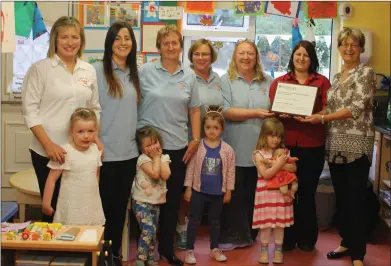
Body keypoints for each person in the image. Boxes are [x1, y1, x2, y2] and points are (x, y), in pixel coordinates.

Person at [303, 28, 376, 266]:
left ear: (361, 49)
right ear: (339, 48)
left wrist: (323, 119)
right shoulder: (336, 77)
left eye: (354, 45)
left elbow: (355, 108)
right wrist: (312, 114)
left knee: (356, 199)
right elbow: (330, 108)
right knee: (343, 199)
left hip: (356, 145)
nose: (349, 49)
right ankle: (346, 242)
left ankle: (358, 253)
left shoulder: (366, 73)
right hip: (334, 145)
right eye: (345, 44)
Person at [21, 16, 101, 223]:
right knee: (54, 208)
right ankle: (55, 252)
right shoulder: (41, 69)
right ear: (55, 40)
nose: (70, 42)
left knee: (78, 206)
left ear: (81, 41)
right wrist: (49, 145)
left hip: (81, 152)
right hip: (47, 151)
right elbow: (30, 111)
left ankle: (80, 253)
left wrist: (96, 138)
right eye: (64, 36)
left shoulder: (89, 70)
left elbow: (94, 108)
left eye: (75, 37)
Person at [137, 25, 201, 266]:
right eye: (166, 43)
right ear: (159, 47)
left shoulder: (189, 76)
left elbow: (194, 110)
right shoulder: (144, 71)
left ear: (180, 46)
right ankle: (145, 249)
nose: (171, 47)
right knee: (145, 199)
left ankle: (166, 249)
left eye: (175, 43)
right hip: (149, 146)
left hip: (176, 147)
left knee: (171, 201)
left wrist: (195, 139)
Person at [269, 40, 331, 252]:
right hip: (285, 147)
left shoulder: (322, 81)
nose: (301, 59)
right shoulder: (280, 82)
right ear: (292, 57)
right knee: (284, 193)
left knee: (306, 192)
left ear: (312, 58)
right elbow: (273, 109)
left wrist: (317, 116)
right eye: (298, 55)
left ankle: (307, 238)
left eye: (306, 55)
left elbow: (327, 109)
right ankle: (286, 238)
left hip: (312, 145)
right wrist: (278, 112)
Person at [93, 21, 141, 264]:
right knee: (100, 209)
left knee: (119, 210)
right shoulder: (96, 72)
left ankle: (113, 255)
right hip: (102, 154)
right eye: (118, 38)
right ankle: (99, 256)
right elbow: (88, 112)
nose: (124, 43)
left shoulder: (135, 74)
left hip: (129, 153)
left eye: (128, 38)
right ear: (109, 42)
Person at [219, 40, 274, 250]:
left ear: (257, 57)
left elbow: (275, 109)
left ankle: (250, 235)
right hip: (235, 148)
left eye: (250, 53)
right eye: (241, 53)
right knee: (235, 195)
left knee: (254, 195)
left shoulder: (267, 81)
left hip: (261, 152)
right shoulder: (226, 81)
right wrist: (255, 114)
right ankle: (232, 237)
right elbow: (225, 111)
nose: (246, 57)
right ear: (234, 56)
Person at [176, 38, 223, 249]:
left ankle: (206, 232)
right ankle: (181, 228)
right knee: (186, 188)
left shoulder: (219, 79)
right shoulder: (185, 77)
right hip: (189, 141)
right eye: (197, 54)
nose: (201, 58)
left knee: (206, 186)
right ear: (191, 56)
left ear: (212, 56)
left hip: (213, 144)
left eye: (206, 54)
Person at [183, 106, 235, 264]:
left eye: (216, 128)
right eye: (208, 127)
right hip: (199, 191)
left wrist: (228, 191)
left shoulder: (227, 150)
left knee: (215, 222)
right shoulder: (198, 148)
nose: (212, 131)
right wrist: (188, 188)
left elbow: (230, 172)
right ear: (203, 128)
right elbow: (191, 168)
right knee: (194, 220)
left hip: (217, 193)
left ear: (222, 129)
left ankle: (214, 248)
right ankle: (189, 250)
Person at [42, 108, 105, 226]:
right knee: (68, 238)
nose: (86, 136)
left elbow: (96, 174)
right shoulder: (65, 151)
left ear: (96, 132)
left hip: (91, 205)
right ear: (71, 132)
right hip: (70, 205)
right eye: (80, 131)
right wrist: (46, 203)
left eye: (90, 131)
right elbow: (52, 179)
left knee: (91, 238)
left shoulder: (96, 150)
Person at [252, 118, 295, 264]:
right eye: (272, 135)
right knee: (265, 226)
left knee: (279, 225)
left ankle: (278, 252)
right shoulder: (258, 154)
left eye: (278, 136)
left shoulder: (283, 153)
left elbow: (293, 168)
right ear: (264, 135)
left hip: (280, 196)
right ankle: (264, 252)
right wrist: (280, 164)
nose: (275, 139)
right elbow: (266, 174)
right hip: (265, 195)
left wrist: (280, 163)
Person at [132, 126, 171, 266]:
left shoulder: (164, 157)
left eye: (155, 143)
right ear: (142, 149)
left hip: (156, 201)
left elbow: (165, 175)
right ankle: (140, 259)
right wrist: (156, 158)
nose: (153, 147)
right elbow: (155, 174)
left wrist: (160, 158)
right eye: (148, 145)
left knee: (153, 232)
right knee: (148, 230)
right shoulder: (143, 159)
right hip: (141, 201)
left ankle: (149, 258)